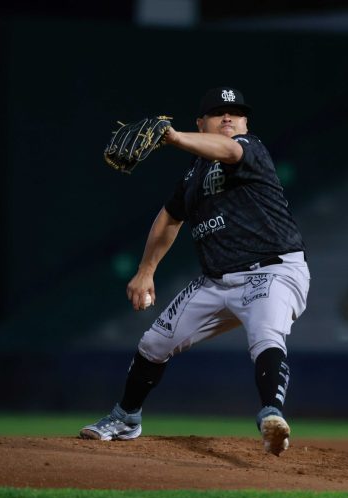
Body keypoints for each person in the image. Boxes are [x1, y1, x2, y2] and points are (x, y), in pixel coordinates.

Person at [80, 87, 309, 456]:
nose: (228, 117)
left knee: (266, 336)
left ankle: (271, 416)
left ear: (246, 123)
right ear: (201, 123)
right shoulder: (192, 176)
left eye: (236, 112)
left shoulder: (250, 147)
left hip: (271, 271)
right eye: (218, 112)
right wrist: (146, 270)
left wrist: (172, 138)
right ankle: (126, 418)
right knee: (153, 343)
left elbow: (229, 151)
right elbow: (169, 217)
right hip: (217, 281)